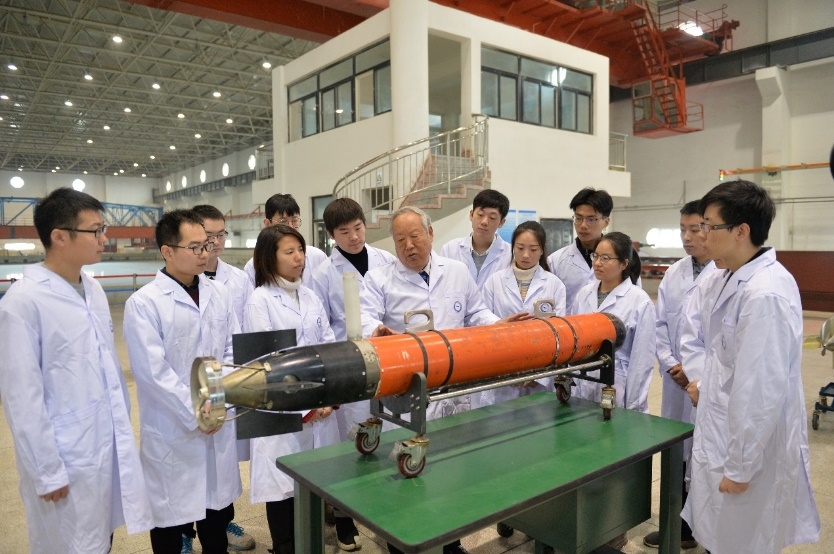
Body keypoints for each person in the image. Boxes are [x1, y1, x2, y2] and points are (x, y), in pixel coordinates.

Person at [360, 206, 530, 554]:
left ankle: (451, 542)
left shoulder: (456, 272)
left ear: (430, 234)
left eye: (415, 236)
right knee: (405, 475)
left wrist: (498, 325)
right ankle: (401, 543)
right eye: (400, 240)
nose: (409, 246)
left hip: (451, 391)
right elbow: (365, 318)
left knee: (451, 471)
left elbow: (476, 312)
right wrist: (377, 331)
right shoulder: (379, 279)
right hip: (405, 394)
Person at [0, 188, 152, 552]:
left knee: (101, 538)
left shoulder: (93, 290)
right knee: (69, 543)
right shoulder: (23, 302)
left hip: (102, 444)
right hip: (64, 455)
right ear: (60, 236)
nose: (104, 238)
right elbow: (22, 398)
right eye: (95, 230)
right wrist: (46, 471)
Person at [680, 180, 820, 553]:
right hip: (721, 432)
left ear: (741, 231)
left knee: (742, 541)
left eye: (709, 226)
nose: (700, 235)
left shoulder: (765, 294)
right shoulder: (725, 276)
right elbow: (714, 351)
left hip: (748, 455)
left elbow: (759, 389)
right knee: (720, 536)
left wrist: (741, 467)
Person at [124, 209, 242, 554]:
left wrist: (218, 402)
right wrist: (198, 411)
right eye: (195, 247)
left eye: (206, 244)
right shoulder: (144, 304)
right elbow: (153, 373)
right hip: (174, 427)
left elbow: (231, 349)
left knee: (215, 516)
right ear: (167, 251)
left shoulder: (219, 293)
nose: (205, 253)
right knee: (170, 520)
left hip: (216, 417)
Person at [243, 225, 348, 552]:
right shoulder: (259, 301)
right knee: (283, 491)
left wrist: (329, 396)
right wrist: (308, 407)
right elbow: (267, 366)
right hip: (282, 413)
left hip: (319, 407)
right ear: (269, 258)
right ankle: (284, 547)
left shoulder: (310, 295)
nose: (299, 258)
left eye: (300, 250)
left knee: (312, 487)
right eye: (289, 252)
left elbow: (327, 347)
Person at [642, 200, 717, 550]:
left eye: (695, 228)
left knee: (707, 453)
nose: (687, 237)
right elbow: (660, 324)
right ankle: (680, 527)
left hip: (707, 384)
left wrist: (696, 371)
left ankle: (710, 531)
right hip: (677, 382)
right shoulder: (675, 273)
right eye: (683, 229)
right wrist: (672, 363)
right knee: (677, 452)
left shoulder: (723, 273)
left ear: (711, 228)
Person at [191, 204, 255, 552]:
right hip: (191, 391)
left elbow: (238, 334)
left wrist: (228, 385)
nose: (215, 242)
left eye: (220, 235)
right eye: (208, 236)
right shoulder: (180, 282)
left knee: (223, 470)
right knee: (190, 473)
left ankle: (223, 521)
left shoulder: (238, 279)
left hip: (225, 384)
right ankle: (185, 533)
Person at [311, 198, 396, 435]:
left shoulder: (387, 260)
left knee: (391, 421)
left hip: (387, 354)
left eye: (358, 228)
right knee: (358, 426)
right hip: (351, 360)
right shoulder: (323, 275)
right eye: (344, 232)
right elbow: (322, 326)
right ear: (331, 234)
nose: (354, 237)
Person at [479, 220, 566, 407]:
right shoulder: (494, 282)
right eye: (520, 248)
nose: (526, 255)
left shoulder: (554, 285)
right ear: (513, 248)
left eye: (533, 249)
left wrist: (541, 374)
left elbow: (559, 334)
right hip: (501, 369)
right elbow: (482, 323)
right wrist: (500, 324)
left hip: (540, 371)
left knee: (536, 422)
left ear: (542, 250)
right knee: (500, 420)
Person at [571, 231, 655, 413]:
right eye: (596, 256)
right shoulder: (584, 294)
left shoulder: (639, 301)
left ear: (624, 264)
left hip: (618, 384)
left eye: (606, 258)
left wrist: (634, 406)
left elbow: (642, 360)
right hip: (584, 381)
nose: (597, 263)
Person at [547, 187, 613, 309]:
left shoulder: (620, 259)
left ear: (606, 222)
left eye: (591, 219)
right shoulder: (555, 261)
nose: (583, 225)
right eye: (578, 218)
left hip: (608, 321)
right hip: (569, 321)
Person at [244, 193, 326, 285]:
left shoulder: (317, 257)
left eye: (294, 221)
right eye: (283, 222)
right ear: (267, 224)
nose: (290, 227)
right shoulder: (253, 267)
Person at [440, 189, 512, 287]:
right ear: (471, 215)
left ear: (501, 222)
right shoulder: (450, 249)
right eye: (480, 215)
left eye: (492, 218)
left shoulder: (510, 255)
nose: (484, 222)